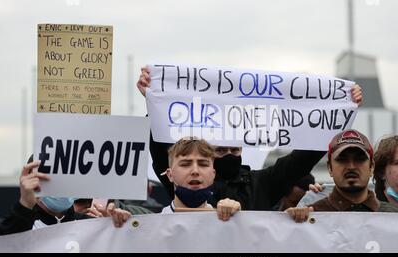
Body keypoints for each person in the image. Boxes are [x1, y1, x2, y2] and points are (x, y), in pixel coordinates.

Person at [137, 66, 363, 210]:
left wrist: (340, 111)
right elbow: (161, 150)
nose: (228, 155)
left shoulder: (262, 183)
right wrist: (155, 101)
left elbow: (304, 158)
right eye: (220, 150)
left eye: (234, 151)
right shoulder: (188, 181)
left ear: (243, 150)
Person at [286, 129, 398, 224]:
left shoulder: (397, 218)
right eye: (342, 159)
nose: (352, 166)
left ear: (372, 166)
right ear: (330, 168)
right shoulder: (310, 214)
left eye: (360, 159)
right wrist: (287, 222)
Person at [0, 161, 131, 235]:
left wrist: (121, 230)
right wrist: (25, 206)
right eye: (50, 179)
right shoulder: (17, 226)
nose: (61, 186)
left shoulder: (93, 225)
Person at [160, 137, 240, 221]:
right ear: (170, 175)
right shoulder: (152, 227)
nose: (195, 171)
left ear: (213, 175)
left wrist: (239, 219)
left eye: (203, 164)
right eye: (185, 164)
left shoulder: (227, 221)